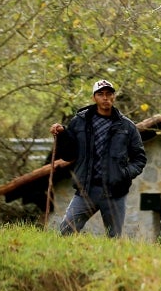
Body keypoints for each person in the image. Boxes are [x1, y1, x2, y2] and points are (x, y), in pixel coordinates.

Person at [50, 79, 146, 237]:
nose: (105, 97)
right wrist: (61, 135)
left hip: (115, 192)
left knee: (114, 238)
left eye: (109, 94)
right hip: (86, 190)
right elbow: (68, 155)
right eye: (100, 94)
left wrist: (124, 174)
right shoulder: (79, 122)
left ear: (114, 97)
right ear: (94, 97)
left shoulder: (127, 127)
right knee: (65, 233)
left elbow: (140, 159)